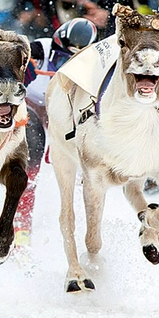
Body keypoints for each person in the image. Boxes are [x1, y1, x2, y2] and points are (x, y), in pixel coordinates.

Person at [17, 18, 97, 260]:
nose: (63, 62)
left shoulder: (87, 64)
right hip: (29, 104)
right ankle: (20, 228)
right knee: (33, 152)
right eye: (61, 56)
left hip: (59, 111)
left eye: (69, 59)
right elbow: (10, 64)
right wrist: (22, 70)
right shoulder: (39, 48)